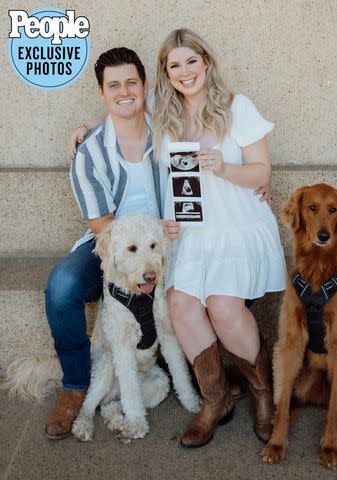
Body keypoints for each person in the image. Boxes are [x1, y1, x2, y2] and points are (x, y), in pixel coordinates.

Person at [153, 28, 287, 448]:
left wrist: (224, 167)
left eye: (191, 61)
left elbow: (261, 171)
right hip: (193, 230)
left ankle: (264, 395)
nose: (185, 71)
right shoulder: (165, 113)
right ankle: (217, 398)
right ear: (166, 74)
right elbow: (120, 113)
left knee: (224, 307)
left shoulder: (236, 106)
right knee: (181, 302)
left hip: (237, 224)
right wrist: (82, 130)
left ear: (206, 62)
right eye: (175, 65)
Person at [44, 47, 169, 439]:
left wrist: (255, 180)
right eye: (114, 85)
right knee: (61, 287)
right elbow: (103, 227)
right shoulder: (90, 152)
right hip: (110, 245)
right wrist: (140, 258)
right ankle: (76, 384)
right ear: (102, 92)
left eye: (132, 82)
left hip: (166, 240)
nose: (124, 91)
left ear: (145, 86)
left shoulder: (169, 132)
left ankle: (207, 375)